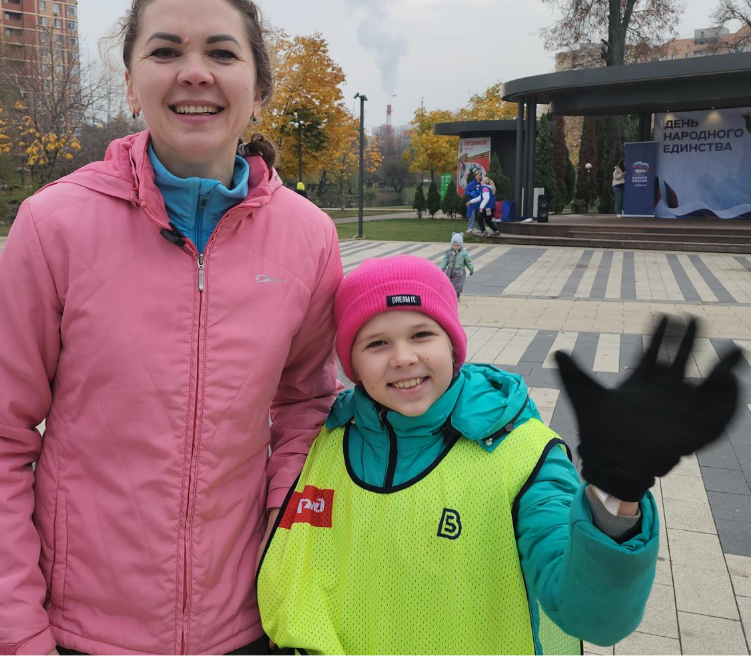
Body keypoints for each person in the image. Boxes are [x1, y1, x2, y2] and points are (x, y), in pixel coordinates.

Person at [0, 0, 343, 656]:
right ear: (133, 84)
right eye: (165, 52)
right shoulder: (53, 225)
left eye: (222, 53)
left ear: (260, 90)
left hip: (248, 624)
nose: (194, 72)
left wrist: (285, 533)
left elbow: (307, 407)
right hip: (82, 633)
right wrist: (16, 629)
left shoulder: (308, 236)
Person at [257, 255, 741, 655]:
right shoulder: (323, 443)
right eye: (377, 343)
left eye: (422, 335)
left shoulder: (523, 458)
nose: (402, 358)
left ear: (453, 344)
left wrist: (616, 491)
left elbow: (592, 616)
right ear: (351, 362)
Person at [439, 232, 474, 300]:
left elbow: (468, 261)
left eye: (458, 245)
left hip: (459, 271)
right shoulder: (449, 252)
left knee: (458, 283)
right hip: (450, 269)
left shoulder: (464, 253)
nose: (456, 246)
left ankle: (456, 294)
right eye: (454, 245)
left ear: (461, 245)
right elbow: (445, 260)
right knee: (448, 282)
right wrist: (442, 268)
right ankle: (449, 294)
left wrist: (471, 268)